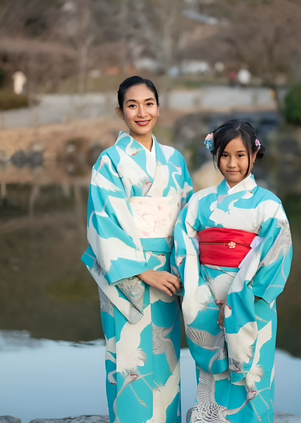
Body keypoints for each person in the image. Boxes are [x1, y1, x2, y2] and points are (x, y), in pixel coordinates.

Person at [82, 76, 193, 423]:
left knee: (166, 358)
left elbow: (188, 219)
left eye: (148, 103)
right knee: (131, 359)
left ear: (158, 108)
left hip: (169, 275)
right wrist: (144, 272)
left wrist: (185, 268)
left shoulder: (174, 160)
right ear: (120, 112)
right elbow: (104, 222)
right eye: (132, 105)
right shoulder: (109, 162)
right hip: (129, 275)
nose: (141, 112)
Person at [173, 120, 292, 423]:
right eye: (225, 155)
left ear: (254, 155)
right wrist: (198, 291)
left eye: (241, 155)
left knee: (253, 373)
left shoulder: (268, 205)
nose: (232, 163)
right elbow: (184, 245)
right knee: (211, 375)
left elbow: (277, 253)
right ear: (216, 156)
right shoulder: (199, 202)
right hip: (207, 297)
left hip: (251, 301)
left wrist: (242, 295)